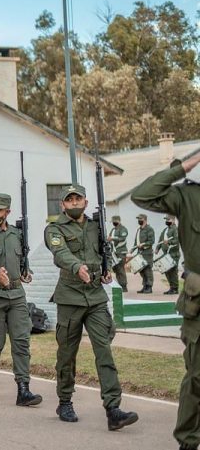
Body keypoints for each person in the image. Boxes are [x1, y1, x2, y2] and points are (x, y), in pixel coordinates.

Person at [44, 183, 139, 430]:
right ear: (62, 205)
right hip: (70, 298)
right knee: (67, 354)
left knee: (104, 351)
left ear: (85, 202)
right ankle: (64, 401)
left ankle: (113, 409)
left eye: (78, 199)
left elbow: (101, 255)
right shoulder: (54, 229)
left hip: (95, 296)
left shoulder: (97, 227)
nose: (74, 202)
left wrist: (104, 272)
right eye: (69, 199)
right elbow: (60, 253)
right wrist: (77, 267)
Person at [130, 153, 200, 450]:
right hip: (199, 307)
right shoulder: (188, 196)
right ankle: (187, 442)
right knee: (197, 378)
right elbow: (142, 194)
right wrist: (181, 167)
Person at [0, 193, 42, 406]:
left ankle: (24, 389)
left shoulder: (16, 234)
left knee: (21, 341)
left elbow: (21, 258)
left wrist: (25, 272)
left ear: (7, 212)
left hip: (16, 294)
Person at [157, 214, 180, 294]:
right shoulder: (165, 230)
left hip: (174, 254)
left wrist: (169, 242)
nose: (167, 221)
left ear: (173, 220)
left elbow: (177, 241)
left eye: (168, 220)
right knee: (167, 271)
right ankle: (171, 287)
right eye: (166, 220)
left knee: (173, 272)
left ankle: (175, 288)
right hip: (166, 254)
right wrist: (157, 248)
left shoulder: (175, 229)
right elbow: (161, 239)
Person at [133, 213, 155, 293]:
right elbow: (136, 242)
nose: (139, 221)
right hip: (140, 253)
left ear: (145, 220)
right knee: (142, 271)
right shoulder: (139, 230)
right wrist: (131, 251)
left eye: (140, 219)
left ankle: (149, 287)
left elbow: (151, 241)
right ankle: (144, 286)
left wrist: (143, 244)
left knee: (147, 271)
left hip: (147, 253)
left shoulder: (149, 229)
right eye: (138, 219)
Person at [107, 216, 129, 291]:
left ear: (118, 221)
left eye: (114, 221)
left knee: (120, 269)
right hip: (114, 253)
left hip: (121, 252)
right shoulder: (113, 230)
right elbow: (109, 238)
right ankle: (120, 285)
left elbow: (122, 238)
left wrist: (112, 238)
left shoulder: (123, 229)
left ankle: (124, 286)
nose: (113, 223)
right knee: (116, 269)